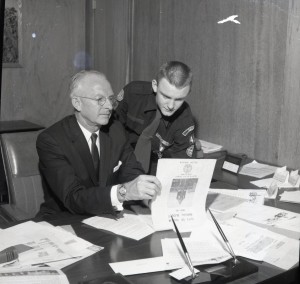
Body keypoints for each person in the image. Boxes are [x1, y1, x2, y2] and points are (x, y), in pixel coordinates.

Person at [36, 70, 161, 217]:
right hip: (64, 220)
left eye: (110, 99)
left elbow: (131, 171)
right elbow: (73, 198)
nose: (109, 106)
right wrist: (123, 192)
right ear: (77, 103)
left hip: (105, 217)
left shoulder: (116, 129)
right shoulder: (52, 140)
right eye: (100, 99)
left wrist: (148, 195)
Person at [115, 61, 197, 175]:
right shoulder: (132, 94)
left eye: (179, 99)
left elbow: (182, 164)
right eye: (166, 96)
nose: (171, 106)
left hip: (155, 167)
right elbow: (109, 131)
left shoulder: (184, 119)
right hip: (118, 158)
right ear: (155, 86)